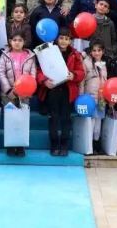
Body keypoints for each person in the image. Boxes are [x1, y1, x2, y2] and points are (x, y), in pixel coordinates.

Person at [37, 28, 85, 156]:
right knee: (53, 117)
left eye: (67, 39)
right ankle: (54, 144)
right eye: (61, 38)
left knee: (66, 118)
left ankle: (64, 144)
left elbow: (81, 72)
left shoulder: (75, 54)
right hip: (52, 90)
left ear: (71, 41)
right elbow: (39, 71)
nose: (64, 41)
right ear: (57, 39)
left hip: (68, 91)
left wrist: (73, 75)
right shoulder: (48, 52)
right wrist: (44, 81)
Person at [0, 32, 37, 157]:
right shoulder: (5, 56)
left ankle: (20, 145)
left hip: (24, 94)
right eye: (14, 40)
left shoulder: (30, 56)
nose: (17, 42)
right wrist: (8, 90)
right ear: (10, 41)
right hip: (8, 94)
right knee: (10, 119)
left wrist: (28, 90)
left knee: (22, 120)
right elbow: (0, 72)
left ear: (24, 42)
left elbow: (33, 74)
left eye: (20, 40)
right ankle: (10, 145)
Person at [79, 41, 107, 154]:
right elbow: (82, 81)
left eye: (99, 50)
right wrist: (81, 96)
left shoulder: (104, 64)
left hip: (101, 98)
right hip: (89, 97)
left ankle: (96, 144)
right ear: (91, 52)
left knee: (98, 122)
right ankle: (88, 145)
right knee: (90, 122)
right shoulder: (86, 63)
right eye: (94, 50)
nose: (97, 53)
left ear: (103, 52)